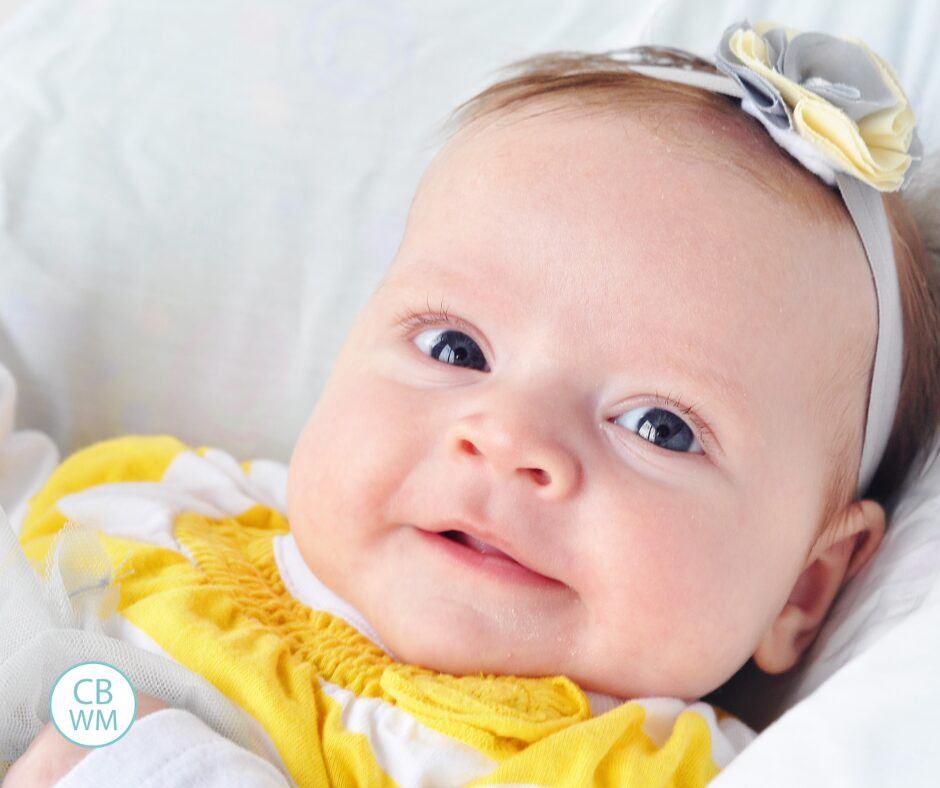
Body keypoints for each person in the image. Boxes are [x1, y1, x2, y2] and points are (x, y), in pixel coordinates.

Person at [5, 19, 939, 787]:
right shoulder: (167, 518)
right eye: (456, 348)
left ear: (807, 588)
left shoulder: (625, 773)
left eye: (660, 426)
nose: (508, 437)